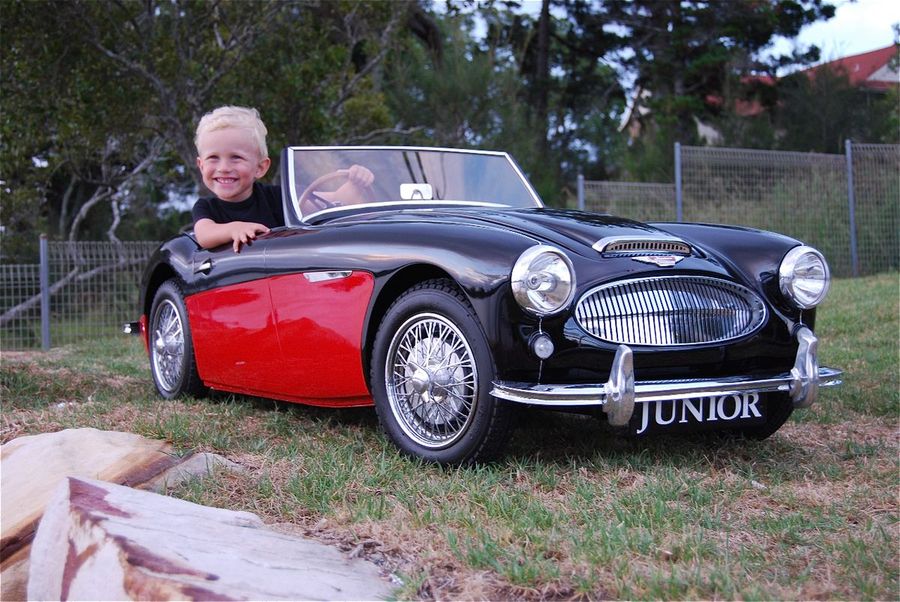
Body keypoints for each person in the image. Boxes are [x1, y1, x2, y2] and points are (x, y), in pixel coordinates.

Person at [192, 106, 373, 252]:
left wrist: (356, 180)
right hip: (235, 283)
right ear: (201, 166)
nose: (223, 168)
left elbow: (334, 200)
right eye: (213, 158)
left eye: (236, 158)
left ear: (261, 167)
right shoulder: (207, 207)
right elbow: (204, 234)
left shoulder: (279, 197)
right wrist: (234, 229)